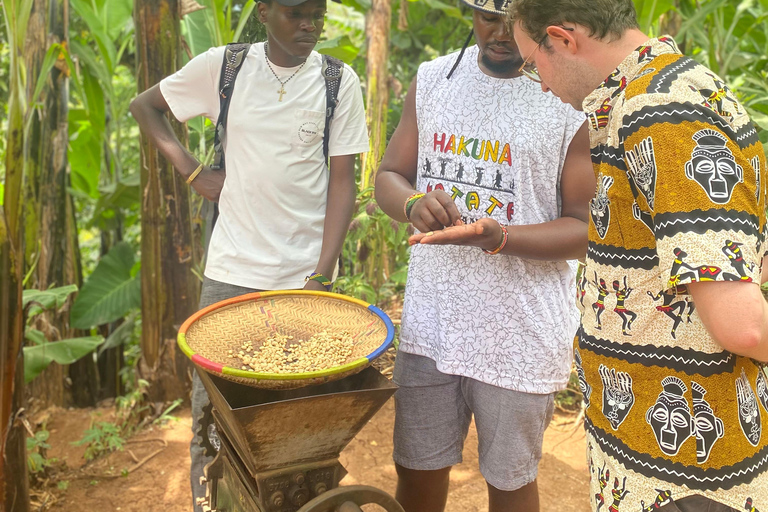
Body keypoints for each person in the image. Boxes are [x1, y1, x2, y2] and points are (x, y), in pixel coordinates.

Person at [508, 0, 768, 510]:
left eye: (532, 62)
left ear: (562, 39)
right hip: (649, 449)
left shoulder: (662, 112)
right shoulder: (652, 97)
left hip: (687, 473)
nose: (539, 83)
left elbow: (745, 325)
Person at [129, 0, 369, 509]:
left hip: (304, 279)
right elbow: (144, 107)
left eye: (318, 14)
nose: (310, 25)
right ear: (263, 12)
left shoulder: (336, 81)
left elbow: (343, 182)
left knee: (298, 418)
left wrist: (321, 275)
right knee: (213, 416)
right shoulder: (226, 68)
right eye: (296, 13)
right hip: (232, 274)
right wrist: (194, 172)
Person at [374, 0, 594, 509]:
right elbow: (388, 176)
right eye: (485, 16)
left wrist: (501, 238)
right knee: (417, 467)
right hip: (432, 324)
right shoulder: (433, 80)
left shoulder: (567, 95)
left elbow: (584, 228)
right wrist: (412, 203)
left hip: (518, 334)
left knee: (511, 480)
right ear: (466, 11)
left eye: (512, 21)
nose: (499, 33)